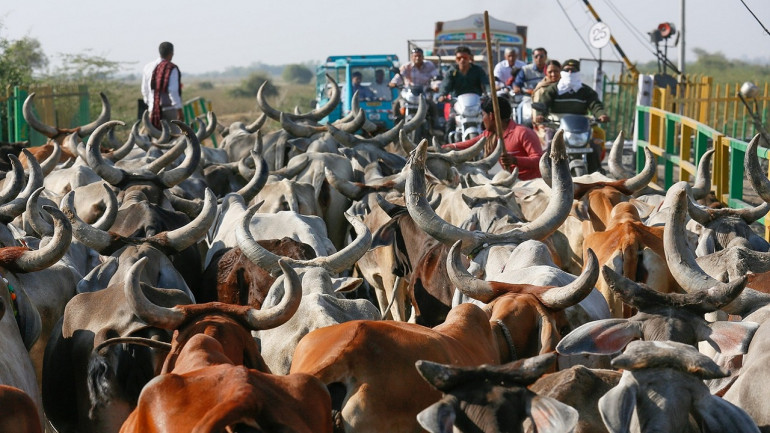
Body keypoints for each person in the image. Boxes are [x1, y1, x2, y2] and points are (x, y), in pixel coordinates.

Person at [442, 96, 543, 180]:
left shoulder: (523, 133)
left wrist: (515, 160)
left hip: (530, 184)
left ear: (491, 116)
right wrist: (445, 148)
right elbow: (470, 144)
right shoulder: (489, 134)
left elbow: (539, 160)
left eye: (483, 115)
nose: (483, 119)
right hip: (509, 182)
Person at [535, 59, 610, 169]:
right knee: (549, 147)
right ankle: (548, 174)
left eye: (573, 70)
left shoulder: (586, 91)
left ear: (578, 72)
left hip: (581, 127)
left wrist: (601, 115)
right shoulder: (553, 89)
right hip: (556, 125)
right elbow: (543, 104)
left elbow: (596, 105)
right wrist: (540, 115)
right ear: (562, 72)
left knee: (594, 147)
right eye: (567, 70)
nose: (570, 72)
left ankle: (596, 173)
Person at [141, 41, 183, 129]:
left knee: (154, 135)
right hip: (169, 110)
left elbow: (145, 90)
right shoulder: (171, 68)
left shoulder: (148, 67)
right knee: (175, 135)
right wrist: (179, 109)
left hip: (153, 110)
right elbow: (172, 91)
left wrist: (152, 105)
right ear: (171, 53)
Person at [531, 59, 561, 143]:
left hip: (565, 123)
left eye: (556, 71)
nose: (553, 74)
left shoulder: (566, 86)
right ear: (545, 72)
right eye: (550, 72)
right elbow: (536, 110)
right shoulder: (541, 88)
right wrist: (540, 118)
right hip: (546, 124)